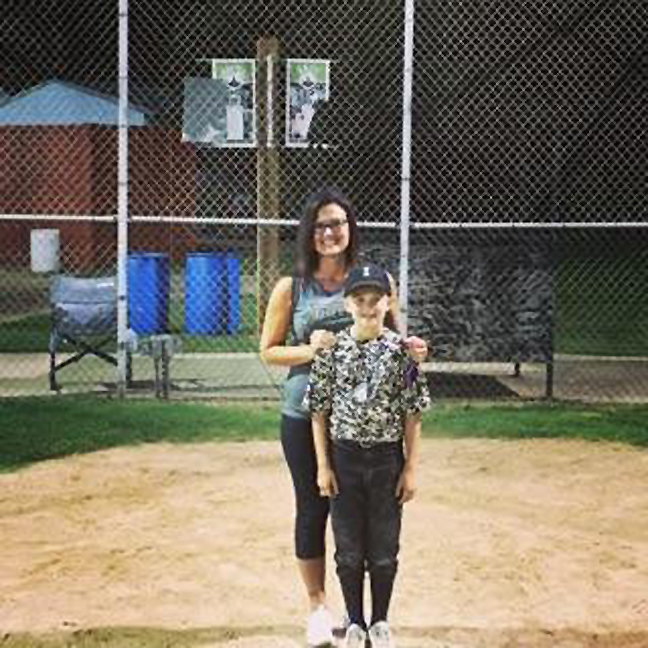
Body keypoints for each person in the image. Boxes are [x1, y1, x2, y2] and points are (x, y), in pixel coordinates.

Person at [259, 189, 427, 647]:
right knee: (314, 506)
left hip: (364, 420)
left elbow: (397, 339)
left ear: (350, 229)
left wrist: (413, 350)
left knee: (366, 512)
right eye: (320, 225)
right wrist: (311, 350)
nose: (330, 232)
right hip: (304, 412)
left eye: (338, 223)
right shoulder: (291, 287)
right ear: (309, 234)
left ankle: (367, 618)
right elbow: (267, 350)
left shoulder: (373, 280)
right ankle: (317, 607)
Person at [305, 263, 431, 648]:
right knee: (347, 549)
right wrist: (323, 465)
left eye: (375, 300)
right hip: (344, 458)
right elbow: (318, 411)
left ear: (387, 302)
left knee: (384, 549)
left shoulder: (402, 353)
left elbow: (413, 411)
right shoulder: (332, 350)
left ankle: (380, 621)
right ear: (347, 304)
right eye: (360, 300)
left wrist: (410, 467)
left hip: (385, 459)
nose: (368, 307)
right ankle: (355, 622)